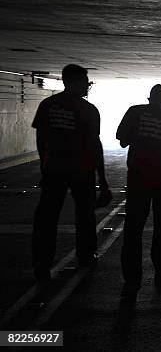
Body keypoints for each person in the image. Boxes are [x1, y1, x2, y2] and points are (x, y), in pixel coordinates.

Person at [32, 64, 110, 282]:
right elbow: (95, 146)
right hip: (81, 170)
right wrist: (102, 179)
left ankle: (42, 265)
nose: (88, 87)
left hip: (54, 168)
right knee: (84, 215)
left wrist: (44, 164)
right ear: (74, 82)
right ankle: (85, 257)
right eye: (86, 82)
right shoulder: (88, 110)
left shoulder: (47, 105)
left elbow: (41, 139)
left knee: (47, 218)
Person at [116, 84, 161, 303]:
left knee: (133, 230)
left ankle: (132, 279)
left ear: (149, 98)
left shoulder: (135, 112)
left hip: (138, 180)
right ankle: (160, 270)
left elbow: (122, 141)